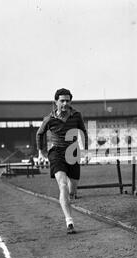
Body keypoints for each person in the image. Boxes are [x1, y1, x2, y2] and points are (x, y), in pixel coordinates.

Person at [36, 88, 88, 234]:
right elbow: (39, 134)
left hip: (73, 152)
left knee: (72, 190)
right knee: (63, 185)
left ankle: (70, 196)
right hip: (56, 153)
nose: (65, 103)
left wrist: (86, 151)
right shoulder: (49, 118)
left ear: (70, 101)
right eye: (62, 101)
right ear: (56, 102)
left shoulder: (76, 116)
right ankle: (69, 221)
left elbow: (83, 131)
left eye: (67, 100)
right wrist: (41, 152)